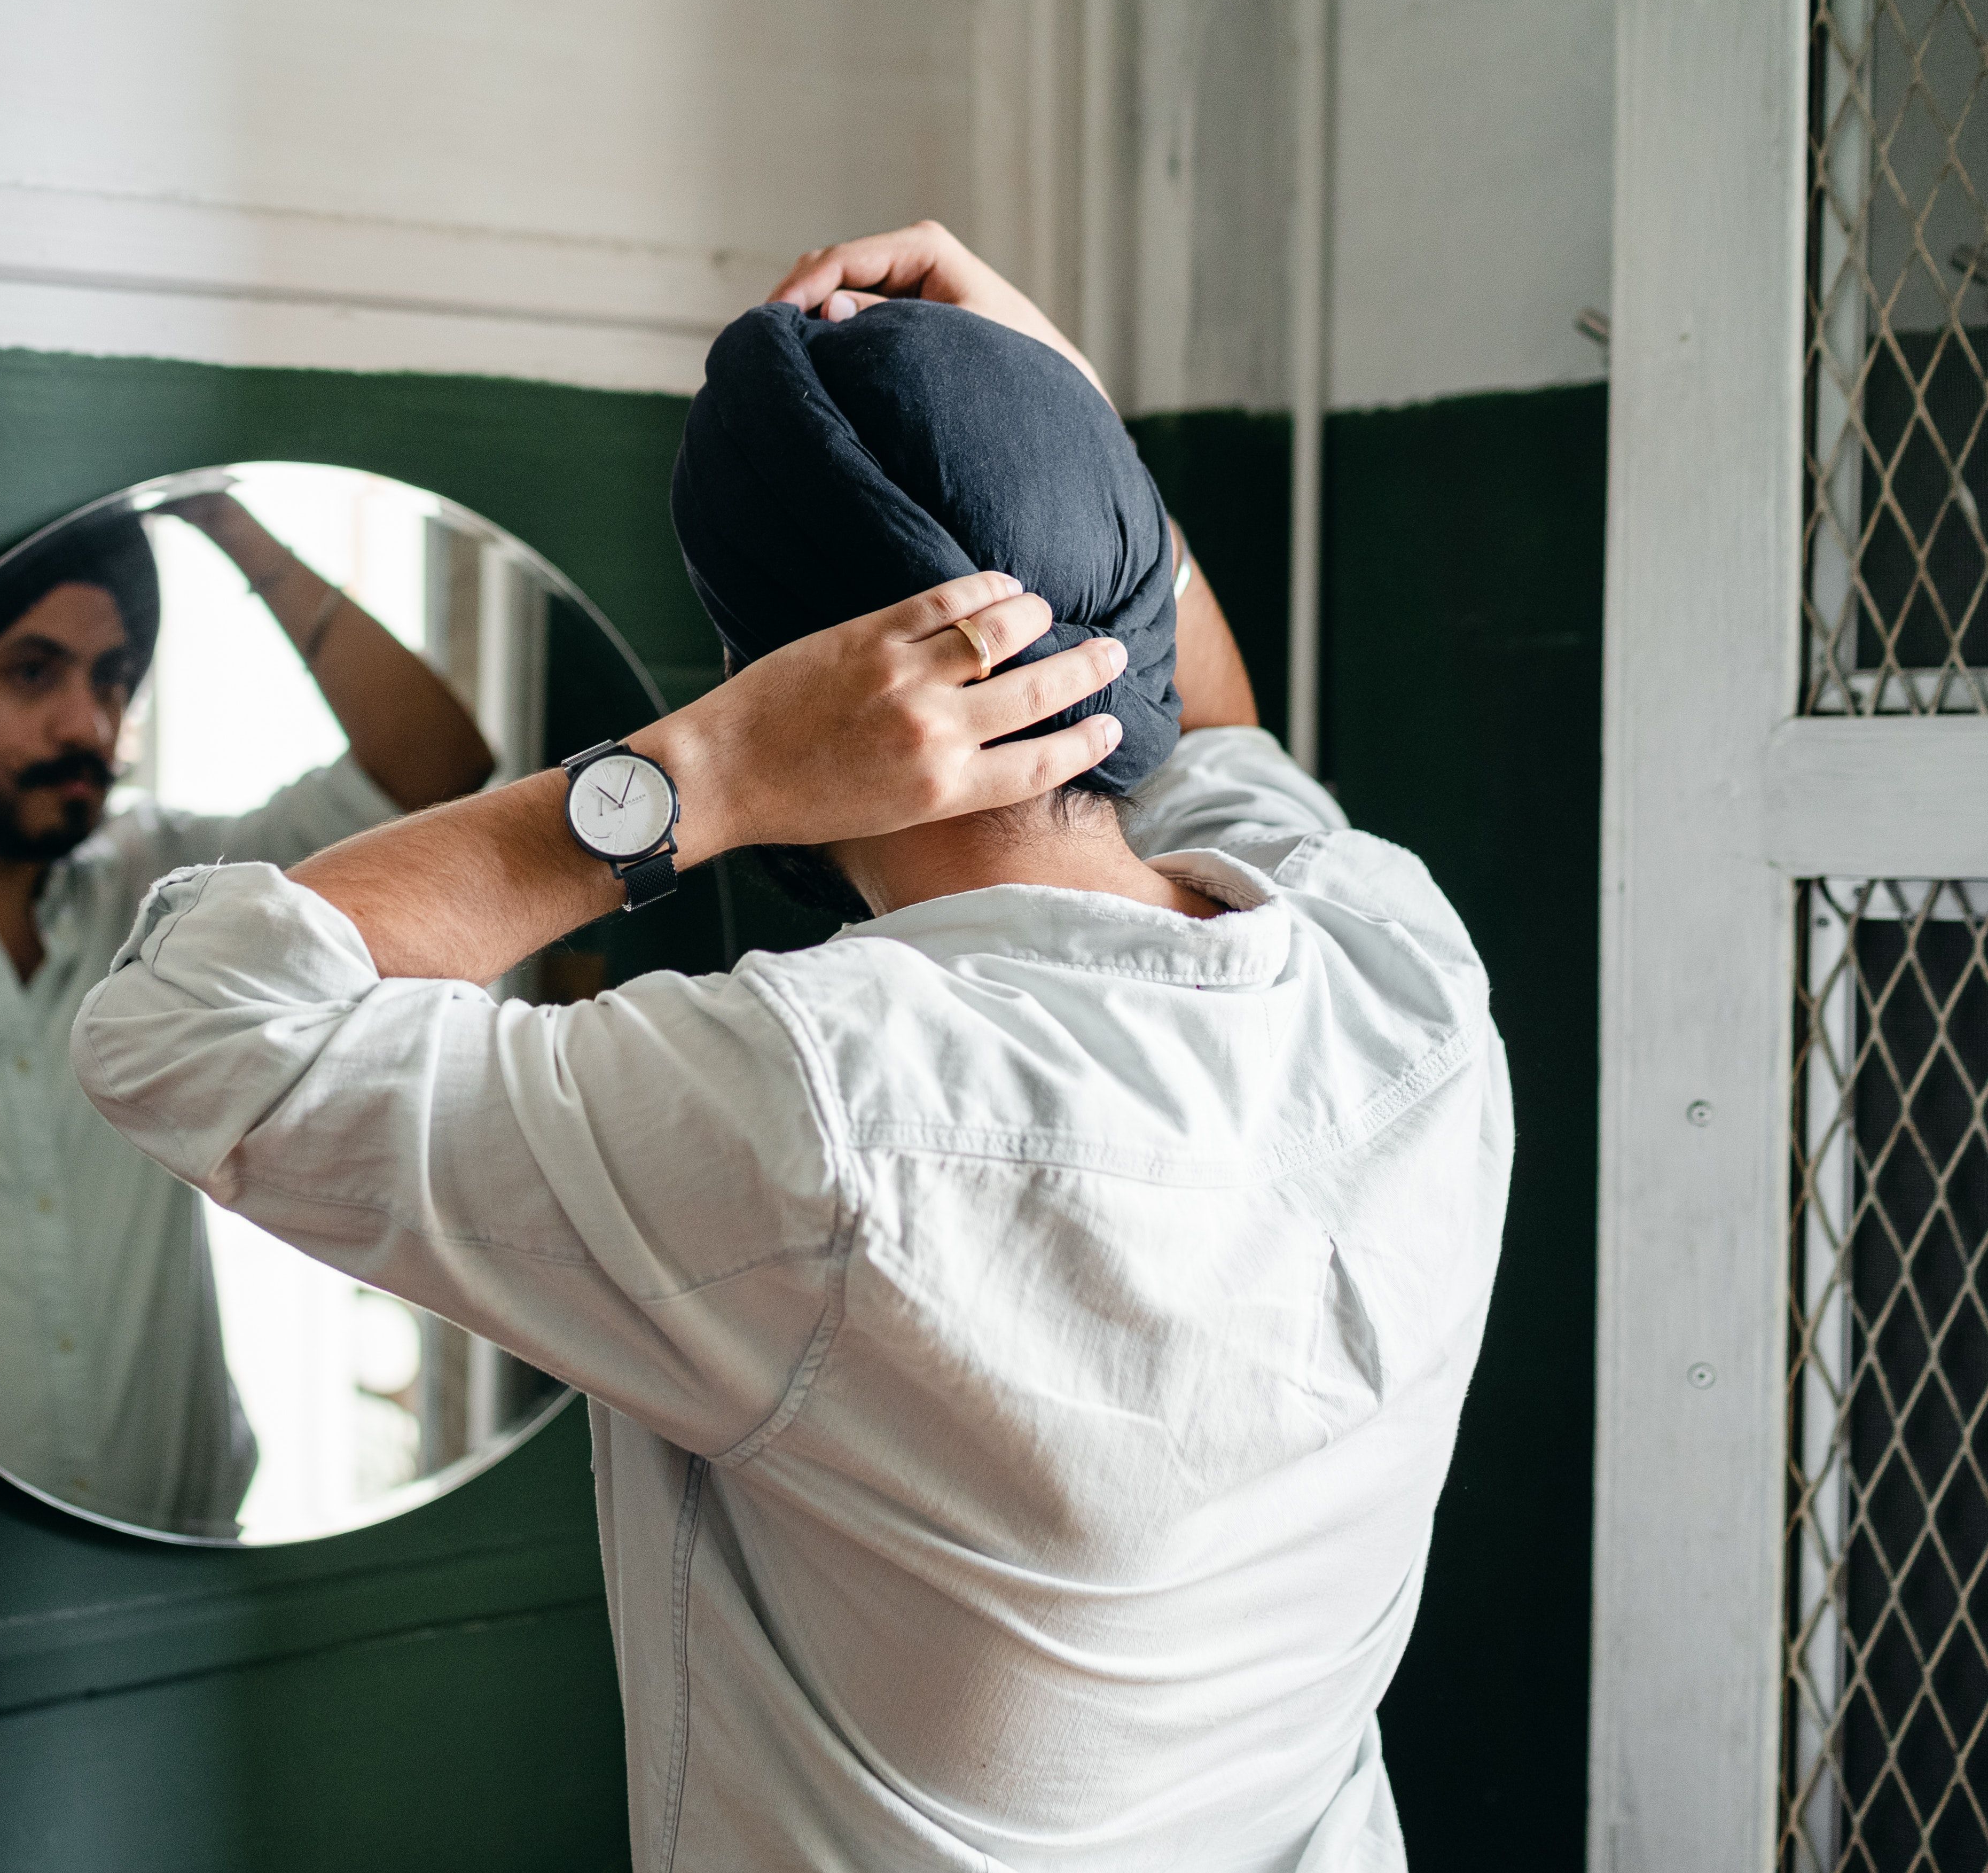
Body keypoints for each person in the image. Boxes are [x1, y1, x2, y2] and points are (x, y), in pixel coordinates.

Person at [73, 223, 1508, 1863]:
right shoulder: (1397, 963)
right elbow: (1223, 734)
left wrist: (706, 773)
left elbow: (183, 1027)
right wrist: (1055, 420)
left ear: (777, 677)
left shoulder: (814, 1111)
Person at [0, 487, 492, 1536]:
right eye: (33, 673)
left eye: (114, 678)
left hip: (189, 1563)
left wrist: (231, 525)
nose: (89, 724)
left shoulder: (166, 889)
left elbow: (435, 771)